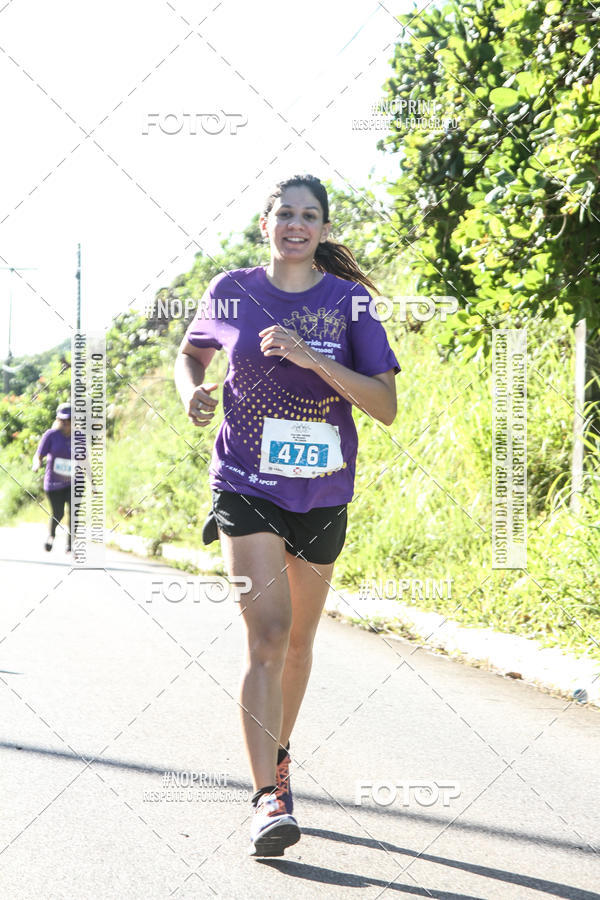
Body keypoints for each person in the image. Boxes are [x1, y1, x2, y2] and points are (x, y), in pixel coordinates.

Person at [174, 174, 401, 858]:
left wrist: (311, 358)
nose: (297, 225)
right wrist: (194, 390)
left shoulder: (350, 303)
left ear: (324, 231)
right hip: (247, 481)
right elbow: (191, 351)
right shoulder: (230, 291)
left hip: (323, 491)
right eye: (286, 214)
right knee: (268, 635)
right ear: (265, 225)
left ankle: (278, 758)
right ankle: (267, 797)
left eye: (310, 216)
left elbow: (384, 406)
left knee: (300, 643)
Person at [32, 402, 73, 553]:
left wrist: (93, 482)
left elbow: (85, 460)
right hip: (54, 482)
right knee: (58, 513)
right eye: (63, 420)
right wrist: (37, 465)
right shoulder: (51, 435)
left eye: (70, 420)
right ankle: (51, 535)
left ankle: (70, 544)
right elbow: (39, 455)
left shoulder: (80, 437)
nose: (67, 424)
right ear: (58, 420)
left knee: (74, 512)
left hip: (74, 482)